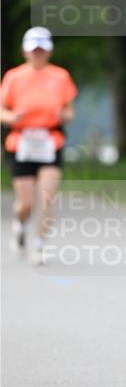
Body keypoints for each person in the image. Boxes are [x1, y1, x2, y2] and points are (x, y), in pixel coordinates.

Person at [1, 27, 77, 265]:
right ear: (25, 52)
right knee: (26, 203)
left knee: (46, 198)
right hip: (22, 142)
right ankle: (20, 224)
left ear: (49, 51)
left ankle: (40, 245)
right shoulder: (13, 77)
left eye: (42, 50)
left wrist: (64, 115)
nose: (38, 55)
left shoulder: (60, 76)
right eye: (34, 51)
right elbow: (2, 110)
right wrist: (12, 118)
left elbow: (69, 110)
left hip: (49, 142)